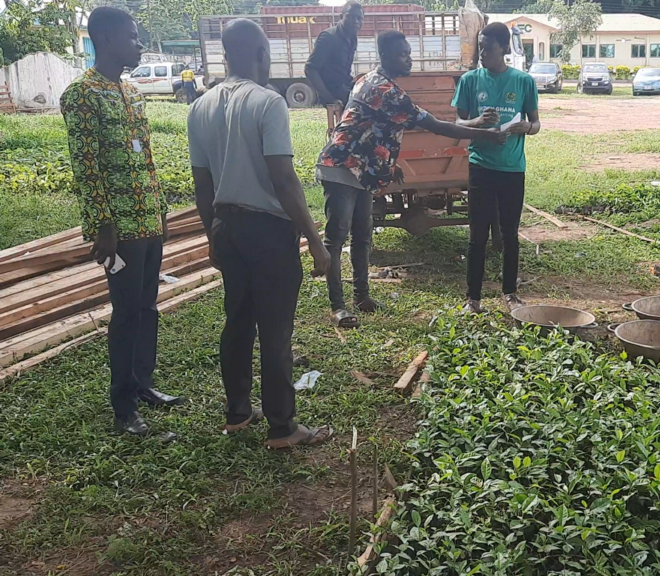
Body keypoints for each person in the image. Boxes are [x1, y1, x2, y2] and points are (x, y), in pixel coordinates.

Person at [188, 19, 334, 449]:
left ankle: (237, 412)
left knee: (237, 320)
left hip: (227, 227)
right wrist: (315, 239)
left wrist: (212, 235)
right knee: (275, 330)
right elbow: (284, 180)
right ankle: (283, 427)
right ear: (260, 54)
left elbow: (203, 187)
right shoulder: (269, 103)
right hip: (268, 232)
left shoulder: (201, 106)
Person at [317, 29, 507, 328]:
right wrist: (484, 134)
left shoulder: (367, 79)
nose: (409, 58)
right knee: (337, 237)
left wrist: (386, 165)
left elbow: (374, 126)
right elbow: (436, 126)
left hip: (363, 169)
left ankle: (362, 297)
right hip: (341, 166)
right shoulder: (385, 91)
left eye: (409, 52)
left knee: (363, 235)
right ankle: (338, 306)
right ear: (385, 56)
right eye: (403, 54)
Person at [60, 7, 183, 437]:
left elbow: (144, 157)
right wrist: (102, 227)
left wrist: (161, 210)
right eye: (132, 37)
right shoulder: (82, 95)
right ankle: (124, 406)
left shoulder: (132, 92)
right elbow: (85, 167)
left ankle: (144, 383)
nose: (139, 44)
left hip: (147, 217)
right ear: (108, 39)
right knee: (126, 312)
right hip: (119, 228)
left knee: (148, 307)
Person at [453, 22, 540, 314]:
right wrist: (477, 123)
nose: (482, 52)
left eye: (487, 47)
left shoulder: (524, 81)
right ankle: (472, 298)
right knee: (477, 235)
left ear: (503, 48)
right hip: (481, 167)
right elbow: (457, 124)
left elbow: (536, 123)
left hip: (513, 169)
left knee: (509, 234)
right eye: (480, 46)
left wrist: (527, 126)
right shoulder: (469, 80)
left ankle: (510, 293)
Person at [305, 1, 363, 109]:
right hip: (332, 91)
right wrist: (330, 99)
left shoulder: (352, 38)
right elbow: (310, 69)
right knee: (366, 105)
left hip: (344, 86)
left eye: (359, 18)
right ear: (341, 17)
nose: (355, 22)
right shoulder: (328, 37)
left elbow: (342, 70)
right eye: (351, 17)